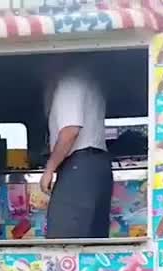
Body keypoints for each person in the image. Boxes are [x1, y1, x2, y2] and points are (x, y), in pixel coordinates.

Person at [40, 60, 112, 239]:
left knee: (64, 239)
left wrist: (49, 169)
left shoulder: (69, 83)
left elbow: (70, 131)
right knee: (94, 239)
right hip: (98, 166)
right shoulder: (89, 81)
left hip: (79, 166)